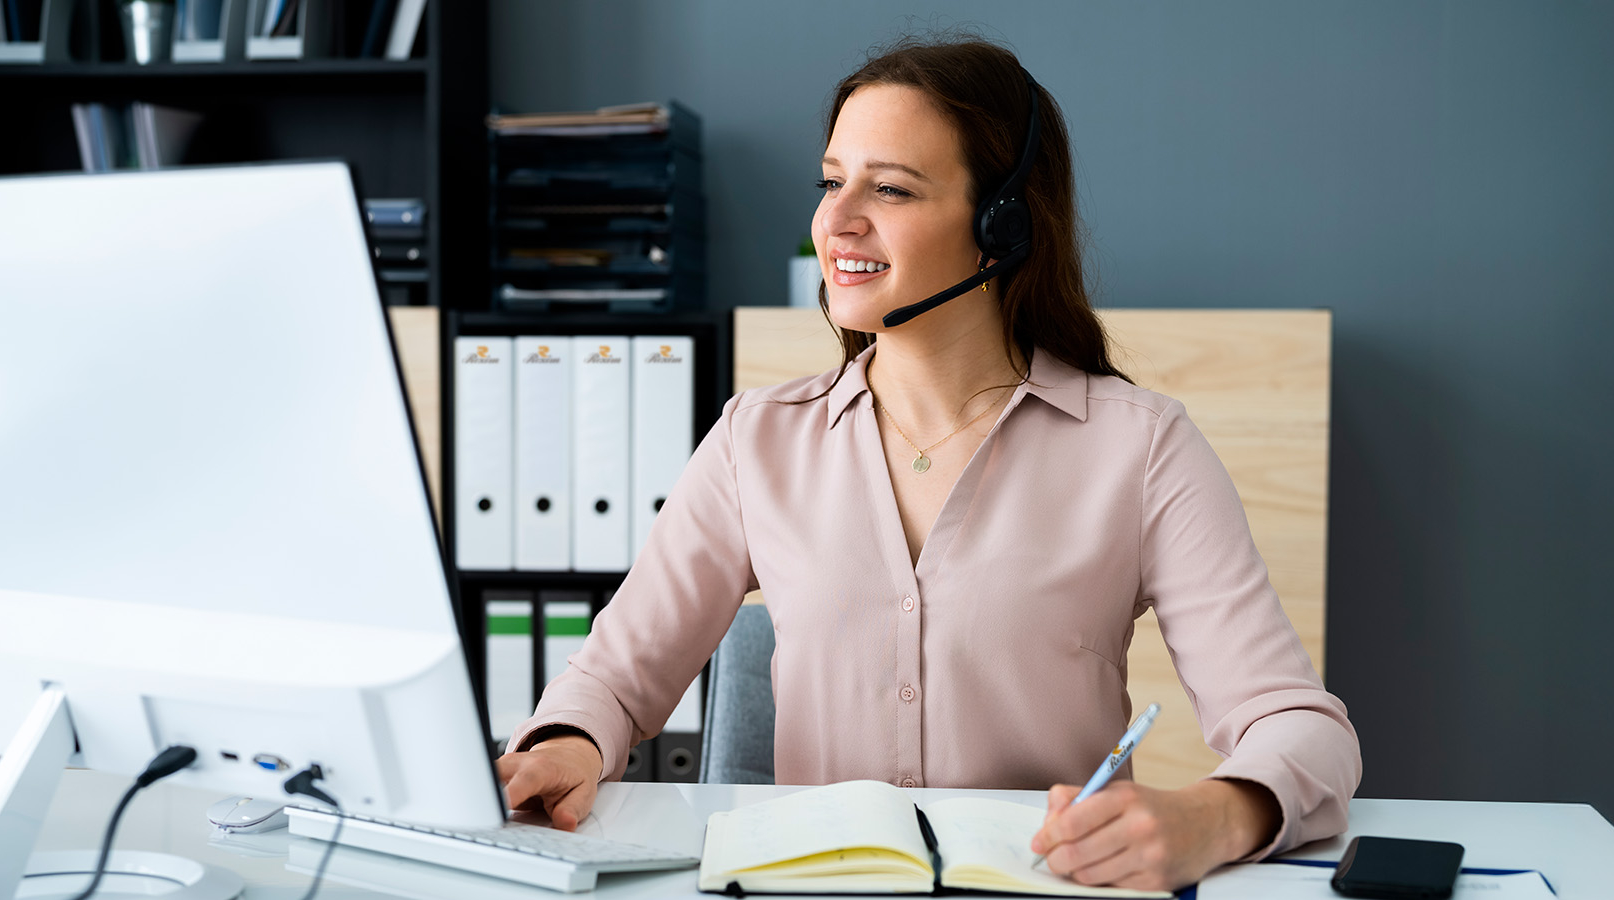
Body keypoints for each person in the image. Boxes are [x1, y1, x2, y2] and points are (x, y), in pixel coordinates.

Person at [496, 36, 1361, 892]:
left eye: (892, 189)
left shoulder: (1139, 448)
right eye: (832, 181)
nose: (836, 221)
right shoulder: (756, 440)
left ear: (1002, 226)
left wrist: (1214, 814)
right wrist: (567, 742)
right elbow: (613, 675)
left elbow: (1298, 725)